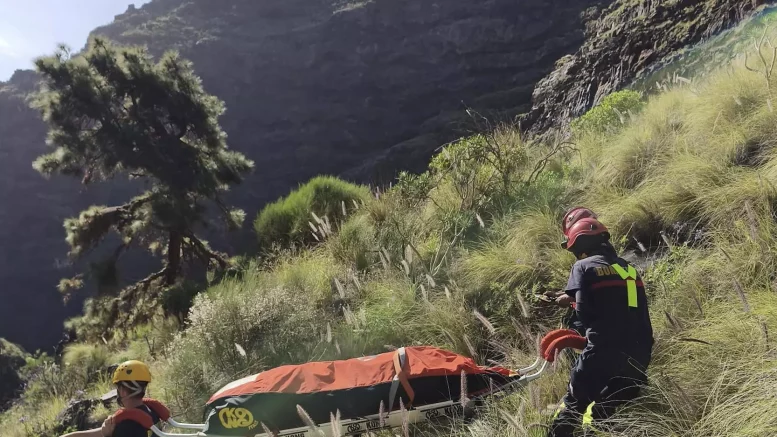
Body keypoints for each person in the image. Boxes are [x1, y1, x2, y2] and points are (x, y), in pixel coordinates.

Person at [548, 214, 654, 437]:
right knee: (603, 414)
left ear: (580, 248)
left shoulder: (582, 266)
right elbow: (626, 306)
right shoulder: (629, 269)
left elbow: (584, 313)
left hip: (602, 352)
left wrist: (574, 306)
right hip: (640, 355)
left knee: (572, 407)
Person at [61, 360, 171, 437]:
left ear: (122, 390)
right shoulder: (151, 412)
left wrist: (107, 435)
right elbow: (95, 433)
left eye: (118, 388)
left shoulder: (126, 425)